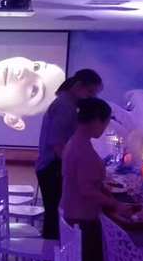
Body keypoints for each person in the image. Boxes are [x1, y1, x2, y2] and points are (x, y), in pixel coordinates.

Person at [61, 97, 130, 261]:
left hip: (71, 214)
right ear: (97, 121)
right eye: (106, 123)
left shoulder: (75, 143)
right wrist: (117, 205)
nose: (105, 128)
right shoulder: (84, 151)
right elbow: (87, 191)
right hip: (82, 220)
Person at [35, 68, 103, 240]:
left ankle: (52, 252)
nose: (91, 97)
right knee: (54, 215)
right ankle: (51, 252)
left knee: (53, 214)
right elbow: (57, 144)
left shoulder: (67, 103)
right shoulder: (65, 106)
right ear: (78, 86)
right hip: (52, 167)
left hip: (50, 166)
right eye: (90, 92)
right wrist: (74, 168)